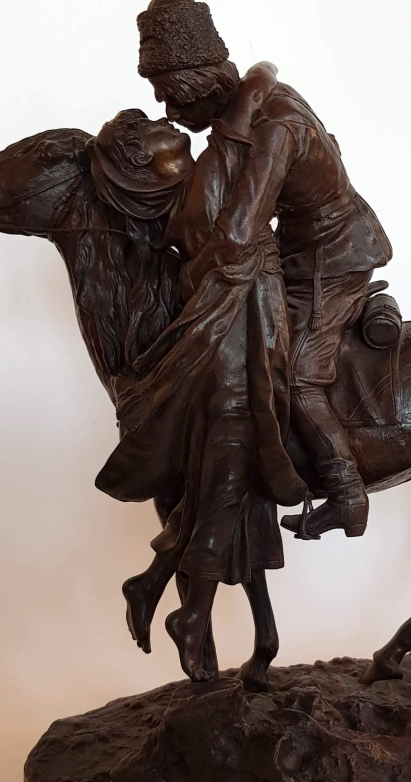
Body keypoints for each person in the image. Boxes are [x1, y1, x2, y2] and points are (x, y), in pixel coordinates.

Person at [136, 0, 393, 540]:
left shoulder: (272, 129)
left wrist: (185, 270)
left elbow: (236, 233)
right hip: (302, 250)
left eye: (171, 97)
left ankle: (348, 495)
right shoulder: (257, 101)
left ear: (201, 86)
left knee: (294, 374)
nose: (168, 112)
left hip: (332, 260)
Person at [90, 107, 306, 678]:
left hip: (247, 326)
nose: (167, 119)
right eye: (151, 132)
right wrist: (263, 79)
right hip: (235, 340)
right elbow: (243, 117)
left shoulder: (194, 195)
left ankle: (158, 587)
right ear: (145, 169)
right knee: (232, 454)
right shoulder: (202, 189)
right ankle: (183, 609)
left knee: (228, 470)